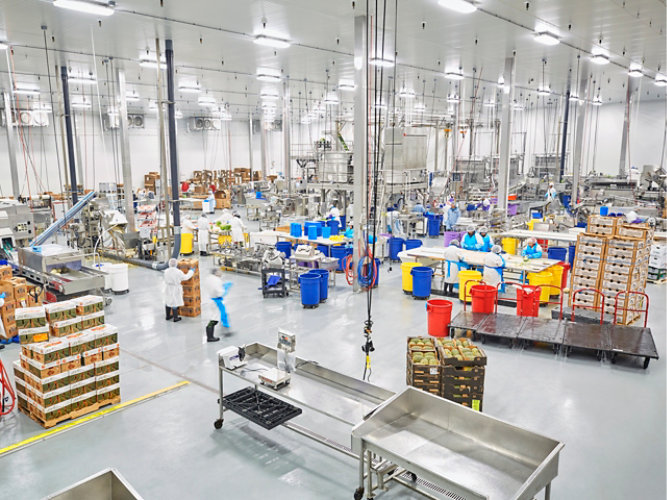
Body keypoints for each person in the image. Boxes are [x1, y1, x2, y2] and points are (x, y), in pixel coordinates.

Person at [204, 268, 233, 341]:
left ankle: (211, 335)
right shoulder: (217, 280)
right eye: (220, 272)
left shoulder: (209, 278)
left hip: (211, 299)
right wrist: (225, 289)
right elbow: (220, 293)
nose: (221, 273)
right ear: (216, 273)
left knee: (218, 316)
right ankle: (210, 337)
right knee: (215, 319)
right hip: (216, 301)